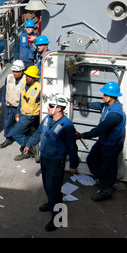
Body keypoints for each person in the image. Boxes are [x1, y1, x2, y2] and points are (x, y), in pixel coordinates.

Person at [23, 94, 79, 232]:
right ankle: (51, 203)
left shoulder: (67, 126)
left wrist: (73, 164)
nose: (47, 107)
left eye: (51, 106)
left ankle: (58, 217)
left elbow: (72, 146)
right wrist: (29, 144)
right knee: (48, 186)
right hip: (45, 159)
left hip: (55, 162)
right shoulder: (47, 119)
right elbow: (38, 133)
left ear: (59, 108)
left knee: (55, 189)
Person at [75, 81, 126, 201]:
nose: (102, 96)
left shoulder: (115, 114)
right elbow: (99, 105)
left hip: (111, 145)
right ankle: (104, 181)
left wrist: (82, 135)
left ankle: (106, 189)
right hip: (104, 141)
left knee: (109, 168)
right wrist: (86, 104)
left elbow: (99, 130)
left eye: (104, 94)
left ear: (111, 96)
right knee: (91, 160)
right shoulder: (109, 105)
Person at [11, 65, 41, 160]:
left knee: (16, 133)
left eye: (30, 76)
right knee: (25, 133)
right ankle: (26, 152)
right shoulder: (24, 85)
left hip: (30, 116)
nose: (27, 78)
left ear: (35, 78)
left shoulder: (39, 89)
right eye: (27, 75)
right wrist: (17, 112)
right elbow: (21, 99)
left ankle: (32, 147)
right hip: (23, 113)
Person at [0, 59, 26, 148]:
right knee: (7, 123)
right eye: (13, 71)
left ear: (22, 71)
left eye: (17, 72)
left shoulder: (26, 80)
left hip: (19, 107)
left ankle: (22, 141)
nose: (14, 73)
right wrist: (3, 102)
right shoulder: (9, 77)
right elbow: (5, 90)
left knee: (20, 124)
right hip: (9, 106)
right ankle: (8, 138)